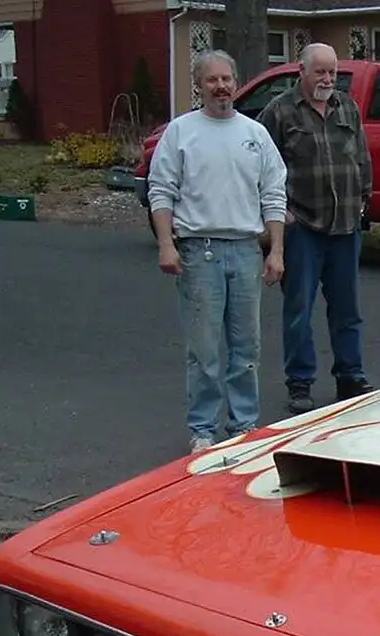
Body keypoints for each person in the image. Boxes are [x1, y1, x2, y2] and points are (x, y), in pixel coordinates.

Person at [147, 49, 288, 452]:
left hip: (245, 250)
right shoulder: (181, 132)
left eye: (227, 79)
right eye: (212, 80)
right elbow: (161, 191)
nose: (221, 86)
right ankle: (203, 431)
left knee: (247, 349)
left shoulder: (255, 134)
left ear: (236, 81)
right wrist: (165, 245)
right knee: (204, 350)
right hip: (198, 253)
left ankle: (243, 428)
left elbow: (273, 193)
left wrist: (275, 250)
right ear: (199, 85)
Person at [258, 41, 376, 415]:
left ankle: (350, 376)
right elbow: (258, 168)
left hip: (345, 226)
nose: (328, 79)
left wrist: (364, 199)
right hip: (302, 226)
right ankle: (300, 384)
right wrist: (278, 214)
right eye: (320, 72)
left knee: (347, 310)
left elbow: (361, 157)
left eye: (333, 72)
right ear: (302, 72)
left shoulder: (348, 108)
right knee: (299, 310)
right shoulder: (279, 113)